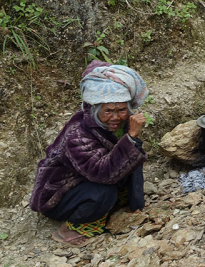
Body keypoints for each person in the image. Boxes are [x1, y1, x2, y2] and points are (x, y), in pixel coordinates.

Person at [29, 60, 150, 247]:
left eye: (122, 110)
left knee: (132, 155)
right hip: (58, 195)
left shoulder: (117, 124)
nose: (115, 117)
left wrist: (136, 204)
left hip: (86, 179)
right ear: (94, 108)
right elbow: (104, 174)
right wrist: (131, 138)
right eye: (108, 111)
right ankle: (69, 229)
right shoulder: (76, 135)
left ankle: (131, 207)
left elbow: (129, 159)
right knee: (104, 193)